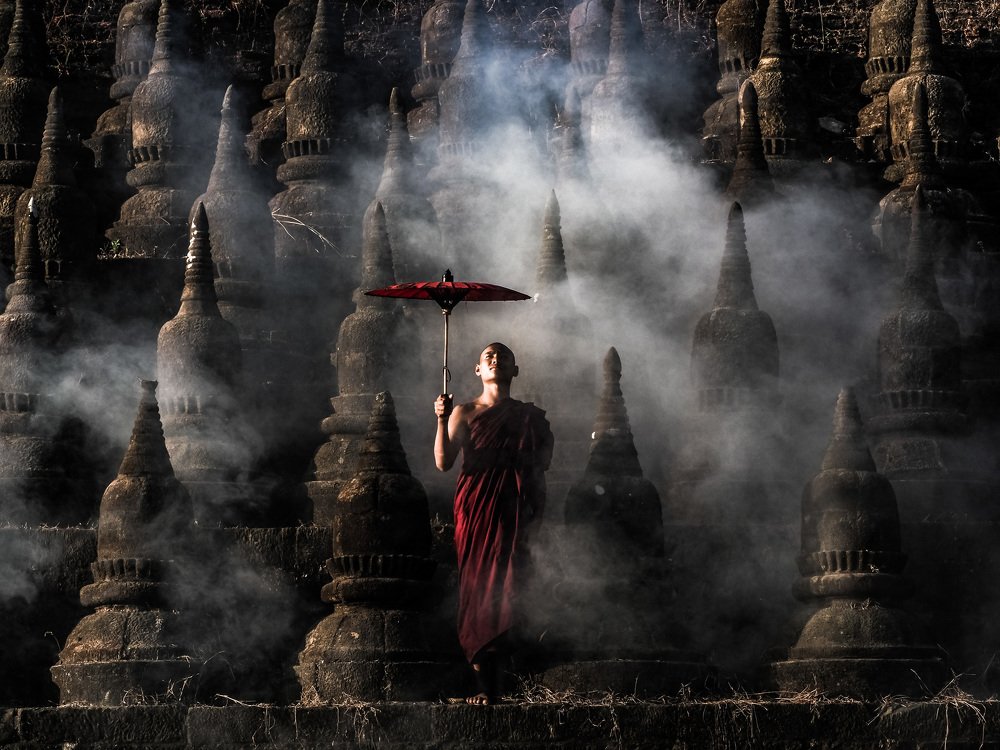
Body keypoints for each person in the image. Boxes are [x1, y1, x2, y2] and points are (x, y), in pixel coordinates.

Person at [434, 342, 553, 705]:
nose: (496, 360)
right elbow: (443, 462)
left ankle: (507, 683)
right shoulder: (464, 412)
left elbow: (542, 462)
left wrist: (534, 508)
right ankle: (483, 686)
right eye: (489, 357)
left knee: (512, 582)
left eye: (503, 357)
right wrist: (441, 417)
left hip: (513, 505)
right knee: (477, 586)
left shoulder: (529, 417)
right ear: (477, 370)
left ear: (515, 370)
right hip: (476, 507)